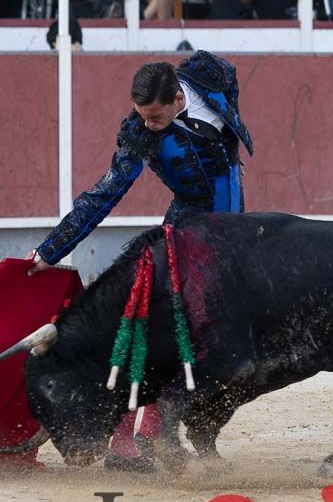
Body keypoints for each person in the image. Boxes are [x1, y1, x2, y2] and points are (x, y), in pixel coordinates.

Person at [25, 52, 253, 469]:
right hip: (188, 233)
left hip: (235, 232)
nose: (146, 124)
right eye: (141, 115)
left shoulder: (210, 76)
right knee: (157, 331)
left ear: (179, 99)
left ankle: (151, 434)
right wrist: (50, 250)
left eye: (155, 116)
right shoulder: (139, 136)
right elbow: (103, 195)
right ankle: (128, 441)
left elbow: (230, 97)